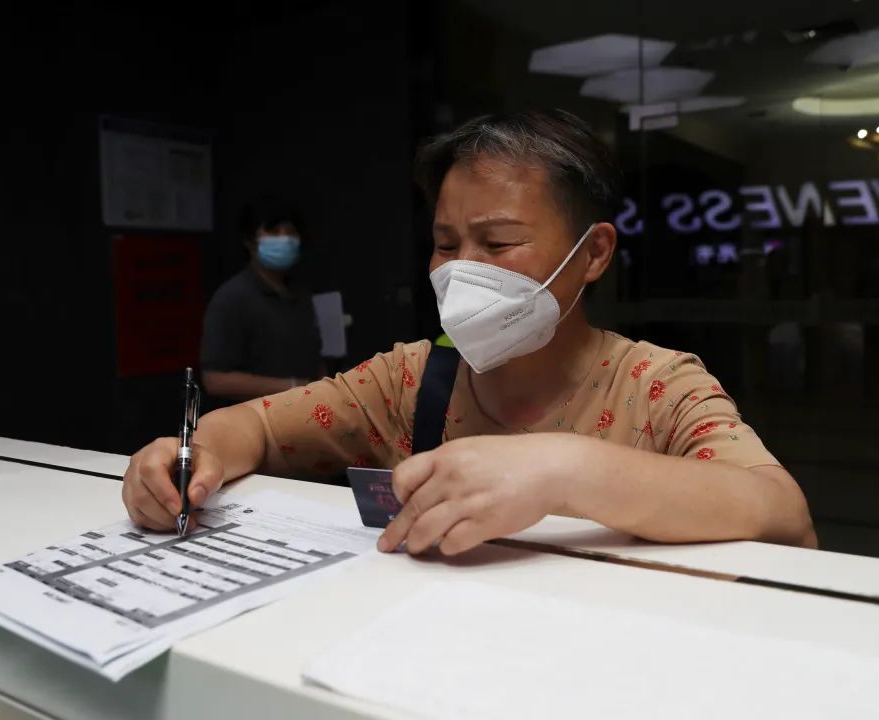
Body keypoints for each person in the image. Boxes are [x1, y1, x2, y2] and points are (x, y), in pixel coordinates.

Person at [125, 110, 817, 555]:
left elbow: (783, 513)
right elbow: (257, 427)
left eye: (499, 243)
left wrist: (563, 471)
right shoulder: (408, 379)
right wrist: (191, 457)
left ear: (594, 254)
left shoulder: (657, 385)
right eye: (446, 243)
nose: (463, 270)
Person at [199, 197, 325, 403]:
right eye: (274, 232)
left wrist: (323, 392)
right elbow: (215, 380)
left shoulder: (301, 294)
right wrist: (294, 387)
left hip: (305, 414)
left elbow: (315, 358)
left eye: (291, 232)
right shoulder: (232, 297)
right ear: (249, 241)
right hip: (257, 417)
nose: (285, 239)